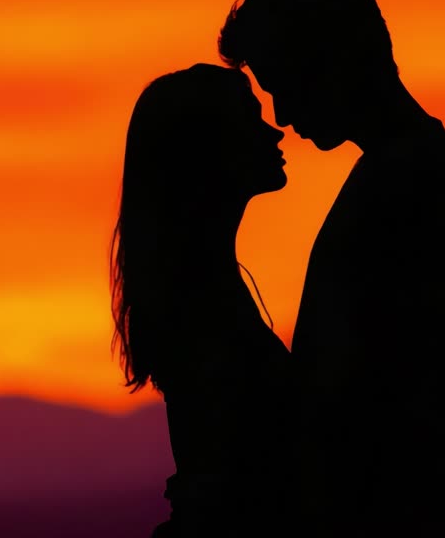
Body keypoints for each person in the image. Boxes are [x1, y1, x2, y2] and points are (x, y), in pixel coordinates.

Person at [218, 0, 445, 537]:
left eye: (283, 84)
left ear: (331, 60)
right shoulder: (409, 171)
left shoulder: (407, 181)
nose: (282, 115)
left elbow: (362, 403)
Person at [109, 64, 297, 537]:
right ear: (209, 150)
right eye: (251, 118)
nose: (275, 132)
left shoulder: (199, 285)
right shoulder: (203, 305)